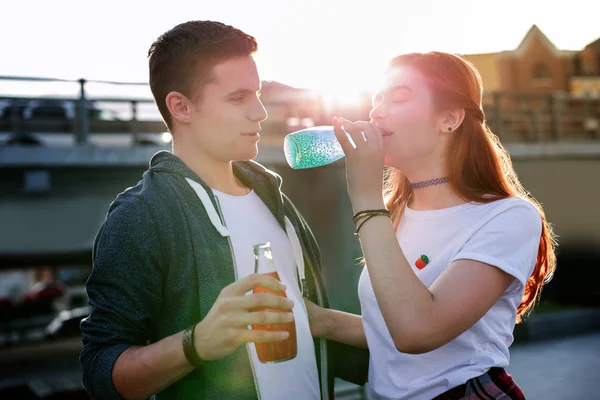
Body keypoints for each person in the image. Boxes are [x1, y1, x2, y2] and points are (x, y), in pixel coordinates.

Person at [80, 20, 367, 400]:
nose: (260, 112)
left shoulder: (274, 199)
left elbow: (312, 329)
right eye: (238, 98)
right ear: (180, 106)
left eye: (258, 94)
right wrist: (196, 344)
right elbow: (101, 371)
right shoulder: (141, 216)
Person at [304, 52, 557, 399]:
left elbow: (418, 331)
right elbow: (390, 326)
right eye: (377, 100)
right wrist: (320, 320)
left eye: (399, 97)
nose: (376, 111)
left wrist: (365, 199)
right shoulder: (395, 213)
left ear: (450, 119)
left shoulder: (508, 217)